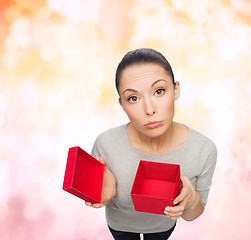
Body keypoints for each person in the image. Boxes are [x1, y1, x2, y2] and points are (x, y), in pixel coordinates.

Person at [85, 48, 217, 240]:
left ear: (176, 90)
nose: (149, 109)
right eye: (133, 98)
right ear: (122, 104)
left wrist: (191, 201)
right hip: (119, 225)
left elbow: (193, 214)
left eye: (159, 91)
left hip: (162, 227)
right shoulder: (105, 144)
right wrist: (98, 193)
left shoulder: (203, 150)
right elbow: (92, 192)